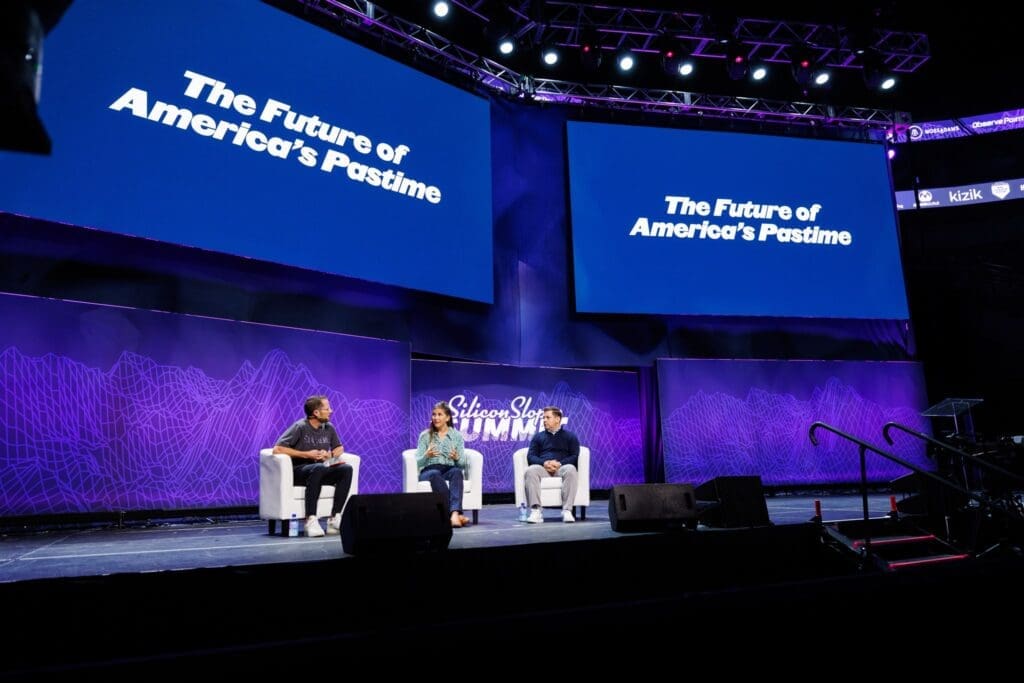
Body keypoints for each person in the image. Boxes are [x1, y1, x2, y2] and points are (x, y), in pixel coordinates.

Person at [273, 395, 354, 538]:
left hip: (319, 470)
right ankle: (310, 519)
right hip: (300, 471)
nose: (331, 411)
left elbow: (339, 448)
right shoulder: (300, 427)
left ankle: (334, 517)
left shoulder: (329, 427)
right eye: (327, 409)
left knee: (346, 469)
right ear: (316, 412)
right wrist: (306, 454)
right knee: (318, 468)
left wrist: (329, 455)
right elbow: (277, 449)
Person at [415, 401, 471, 528]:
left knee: (457, 472)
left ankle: (454, 514)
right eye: (434, 414)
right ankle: (455, 515)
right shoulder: (425, 436)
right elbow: (417, 462)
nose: (436, 417)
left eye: (440, 414)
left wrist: (456, 458)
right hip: (429, 471)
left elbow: (462, 464)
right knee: (435, 473)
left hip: (448, 469)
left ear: (448, 417)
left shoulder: (456, 436)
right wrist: (426, 456)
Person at [525, 406, 579, 523]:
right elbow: (531, 456)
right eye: (543, 418)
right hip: (543, 468)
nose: (544, 420)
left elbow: (574, 456)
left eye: (547, 417)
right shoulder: (538, 437)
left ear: (557, 419)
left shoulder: (570, 436)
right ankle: (536, 511)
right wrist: (544, 463)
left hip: (561, 468)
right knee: (531, 470)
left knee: (571, 469)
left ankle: (567, 510)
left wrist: (560, 463)